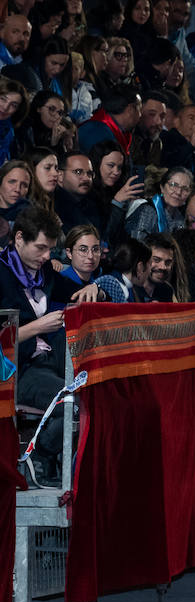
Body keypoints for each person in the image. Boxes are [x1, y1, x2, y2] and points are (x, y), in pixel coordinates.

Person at [0, 207, 100, 484]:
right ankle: (35, 455)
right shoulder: (2, 273)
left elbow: (76, 292)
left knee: (97, 394)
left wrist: (96, 289)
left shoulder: (43, 270)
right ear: (19, 238)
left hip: (49, 359)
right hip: (16, 369)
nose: (47, 257)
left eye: (51, 249)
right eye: (41, 248)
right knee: (74, 403)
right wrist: (37, 327)